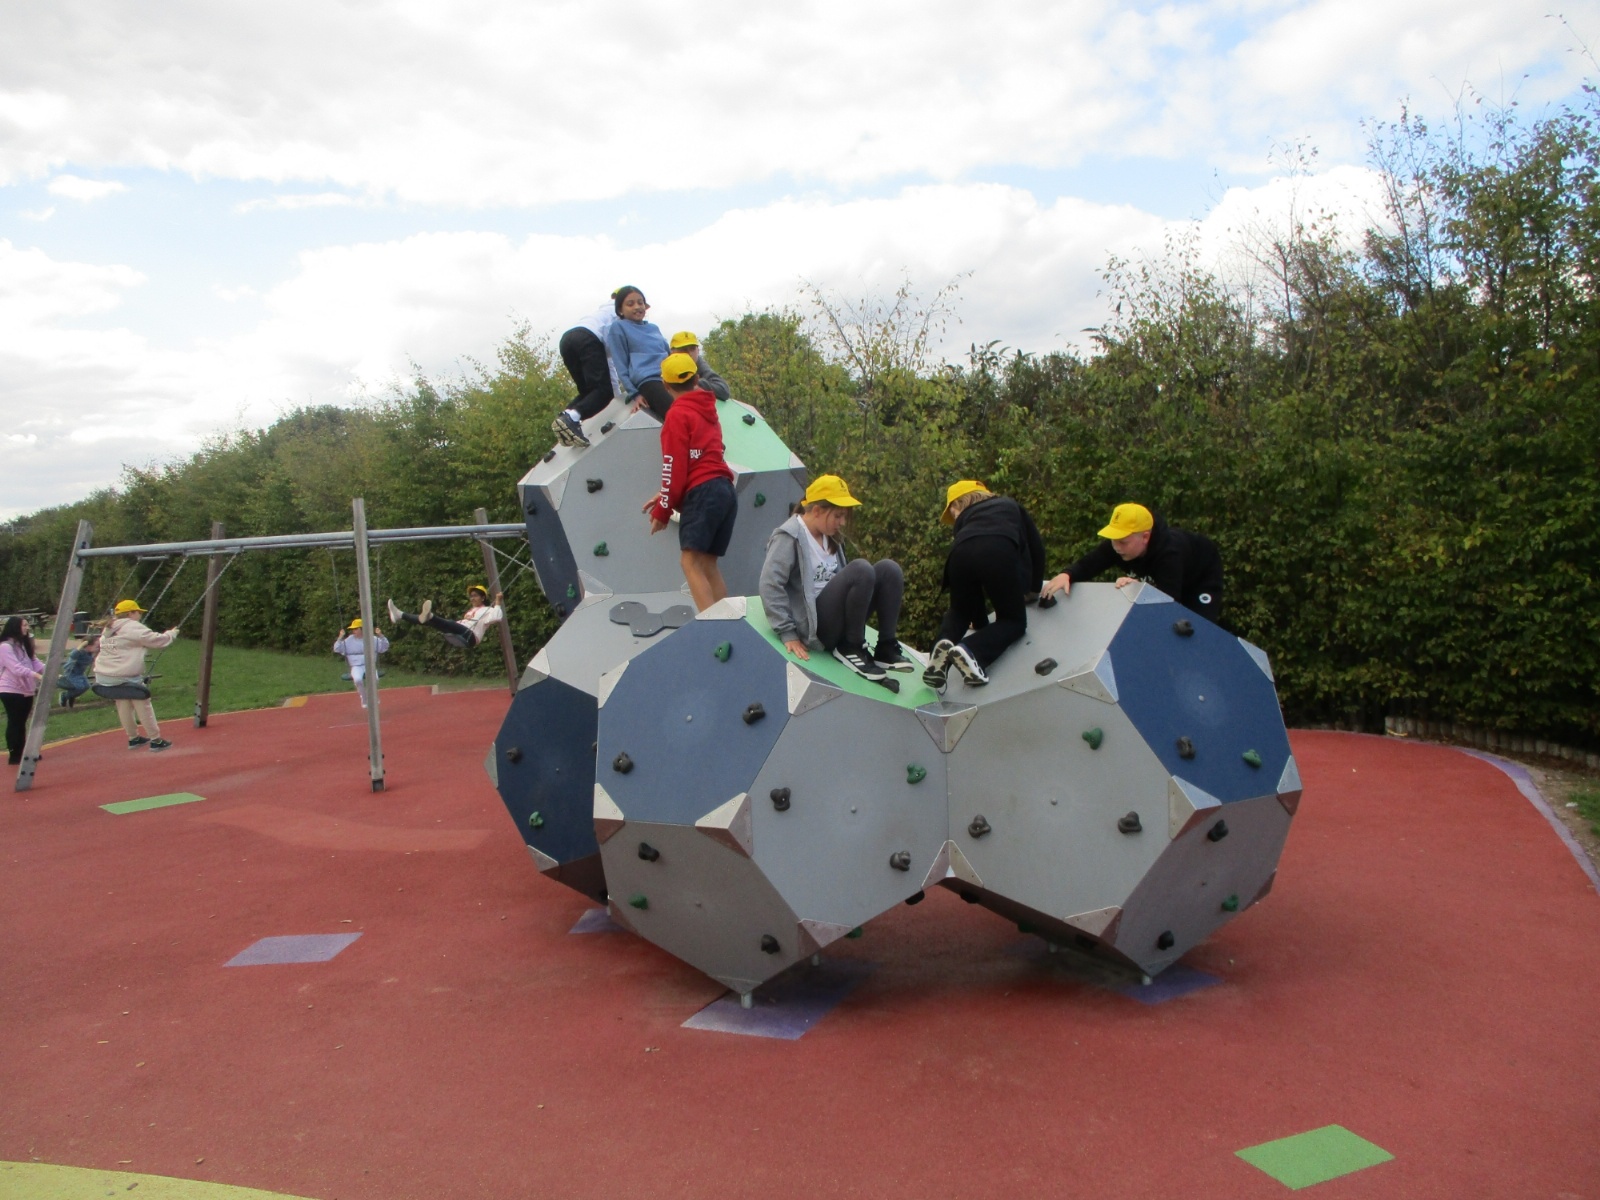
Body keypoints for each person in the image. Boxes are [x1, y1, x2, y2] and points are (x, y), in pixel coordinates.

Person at [759, 475, 912, 683]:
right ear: (816, 510)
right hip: (817, 628)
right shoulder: (789, 536)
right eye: (838, 516)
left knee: (889, 569)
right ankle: (851, 647)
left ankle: (886, 646)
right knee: (861, 569)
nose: (842, 522)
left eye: (844, 516)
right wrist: (787, 632)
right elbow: (769, 584)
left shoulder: (831, 537)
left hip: (840, 620)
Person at [923, 481, 1048, 690]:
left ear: (958, 504)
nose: (954, 517)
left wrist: (980, 623)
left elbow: (973, 591)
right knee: (1013, 621)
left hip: (958, 554)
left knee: (960, 611)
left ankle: (943, 643)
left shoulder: (965, 522)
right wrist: (1033, 589)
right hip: (997, 548)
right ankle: (973, 651)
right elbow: (1036, 548)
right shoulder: (1009, 505)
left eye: (952, 512)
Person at [639, 353, 736, 611]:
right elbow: (701, 461)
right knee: (708, 564)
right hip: (724, 489)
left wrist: (663, 510)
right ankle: (728, 624)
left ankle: (712, 626)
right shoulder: (708, 411)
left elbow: (674, 467)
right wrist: (665, 496)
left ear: (665, 385)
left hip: (703, 493)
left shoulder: (677, 415)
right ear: (696, 379)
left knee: (689, 562)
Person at [1041, 502, 1223, 623]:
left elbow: (1169, 603)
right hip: (1169, 580)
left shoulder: (1169, 555)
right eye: (1113, 540)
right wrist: (1067, 574)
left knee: (1196, 626)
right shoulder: (1118, 544)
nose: (1116, 547)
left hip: (1201, 577)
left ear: (1145, 537)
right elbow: (1090, 563)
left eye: (1122, 542)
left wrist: (1143, 588)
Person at [94, 600, 178, 751]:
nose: (140, 615)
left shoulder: (109, 627)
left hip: (104, 675)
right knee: (143, 704)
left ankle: (133, 738)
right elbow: (157, 641)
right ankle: (155, 740)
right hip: (124, 674)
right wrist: (171, 634)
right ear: (130, 613)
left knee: (123, 703)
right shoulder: (132, 626)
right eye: (138, 612)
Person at [551, 299, 621, 448]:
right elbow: (617, 366)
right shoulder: (620, 316)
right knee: (603, 392)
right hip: (588, 338)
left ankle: (564, 417)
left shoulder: (600, 314)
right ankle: (572, 418)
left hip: (567, 340)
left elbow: (608, 366)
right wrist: (618, 400)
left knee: (589, 392)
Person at [604, 286, 674, 419]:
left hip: (670, 378)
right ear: (620, 310)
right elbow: (621, 365)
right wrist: (634, 394)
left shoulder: (653, 328)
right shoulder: (618, 327)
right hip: (649, 381)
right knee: (676, 414)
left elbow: (669, 354)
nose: (637, 307)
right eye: (630, 304)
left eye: (640, 303)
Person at [388, 587, 503, 648]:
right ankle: (400, 615)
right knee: (429, 622)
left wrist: (497, 602)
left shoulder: (488, 610)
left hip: (471, 636)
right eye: (471, 596)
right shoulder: (471, 610)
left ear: (483, 598)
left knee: (449, 623)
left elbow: (497, 618)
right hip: (460, 632)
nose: (472, 598)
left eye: (475, 596)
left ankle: (431, 616)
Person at [1, 616, 46, 767]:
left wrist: (48, 671)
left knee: (22, 722)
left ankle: (25, 752)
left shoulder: (22, 644)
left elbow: (34, 661)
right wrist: (36, 675)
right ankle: (15, 755)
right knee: (15, 721)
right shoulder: (5, 647)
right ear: (15, 627)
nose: (27, 628)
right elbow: (16, 668)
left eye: (27, 625)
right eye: (24, 625)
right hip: (10, 689)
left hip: (26, 689)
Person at [332, 617, 390, 708]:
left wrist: (380, 635)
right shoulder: (349, 640)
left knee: (375, 679)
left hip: (370, 665)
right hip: (356, 666)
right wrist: (340, 637)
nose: (353, 631)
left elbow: (384, 647)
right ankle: (364, 697)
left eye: (356, 629)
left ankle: (374, 696)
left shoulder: (372, 639)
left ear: (362, 629)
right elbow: (337, 649)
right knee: (358, 679)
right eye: (353, 629)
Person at [667, 331, 731, 401]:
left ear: (698, 350)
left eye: (692, 349)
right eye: (684, 350)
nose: (689, 353)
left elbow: (723, 390)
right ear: (672, 352)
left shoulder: (699, 364)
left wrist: (691, 383)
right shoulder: (665, 367)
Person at [57, 633, 98, 707]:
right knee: (80, 687)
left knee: (86, 686)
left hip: (80, 674)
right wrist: (83, 644)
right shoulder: (80, 652)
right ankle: (65, 696)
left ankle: (71, 696)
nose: (98, 648)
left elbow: (91, 659)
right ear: (88, 646)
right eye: (96, 646)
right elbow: (73, 655)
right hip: (71, 673)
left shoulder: (89, 653)